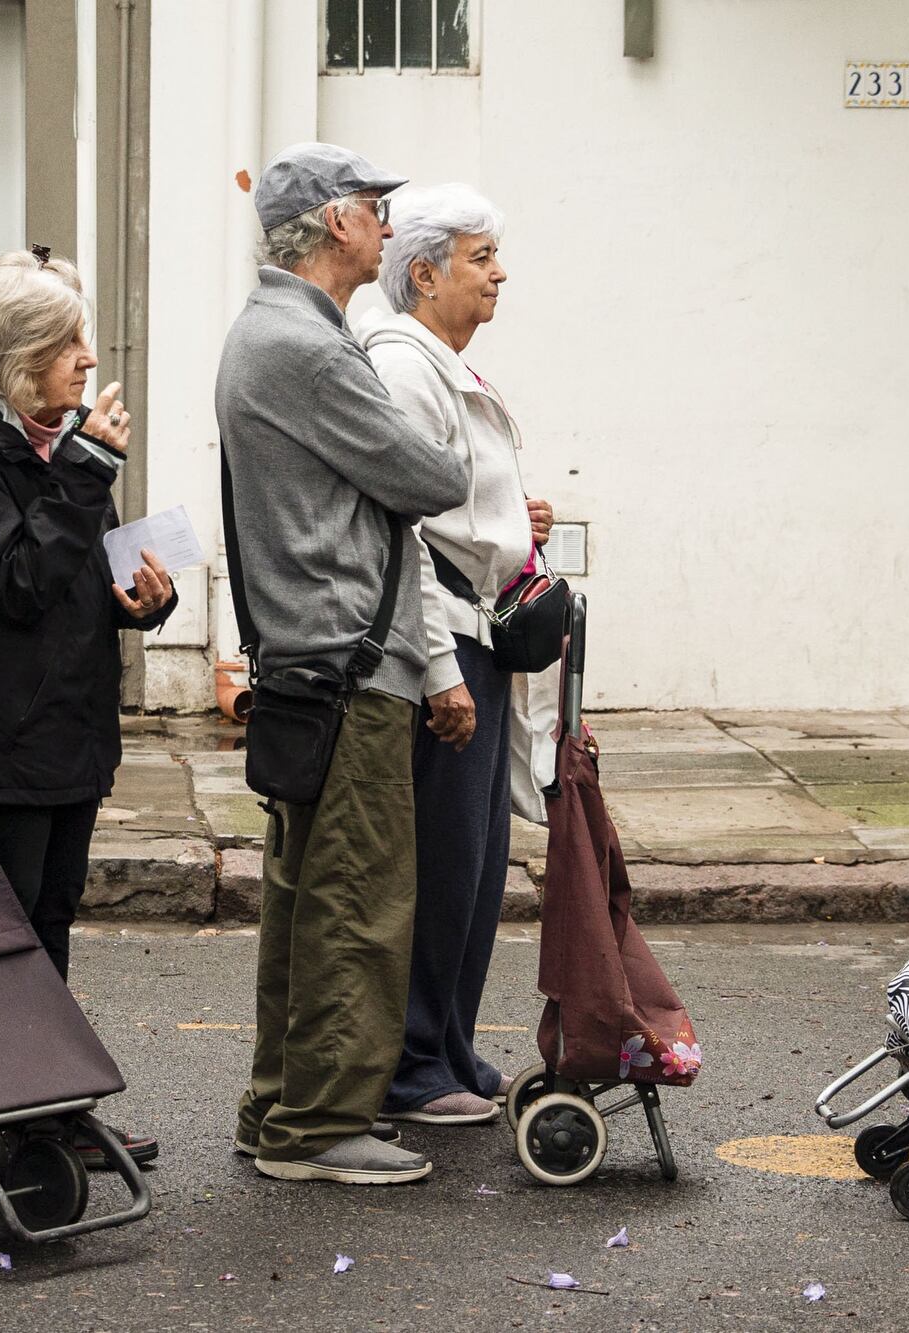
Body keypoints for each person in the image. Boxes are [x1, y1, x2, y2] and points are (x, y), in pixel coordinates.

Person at [216, 143, 469, 1186]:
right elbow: (433, 473)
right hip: (350, 665)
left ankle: (281, 1105)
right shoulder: (309, 347)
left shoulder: (274, 332)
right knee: (356, 901)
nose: (384, 220)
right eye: (373, 204)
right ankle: (316, 1126)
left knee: (307, 896)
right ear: (332, 223)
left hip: (313, 663)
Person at [0, 248, 176, 1170]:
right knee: (7, 932)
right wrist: (91, 461)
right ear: (18, 361)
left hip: (67, 728)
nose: (88, 359)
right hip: (4, 739)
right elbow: (17, 582)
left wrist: (138, 598)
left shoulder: (40, 437)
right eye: (69, 344)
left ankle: (44, 1106)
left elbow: (67, 574)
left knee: (49, 923)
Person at [358, 185, 554, 1127]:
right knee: (443, 864)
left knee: (478, 866)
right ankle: (413, 1065)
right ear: (425, 272)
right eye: (481, 258)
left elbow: (463, 509)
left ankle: (453, 1047)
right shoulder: (405, 367)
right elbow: (404, 532)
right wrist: (439, 671)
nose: (500, 273)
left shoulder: (443, 364)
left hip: (483, 642)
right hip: (451, 647)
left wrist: (521, 520)